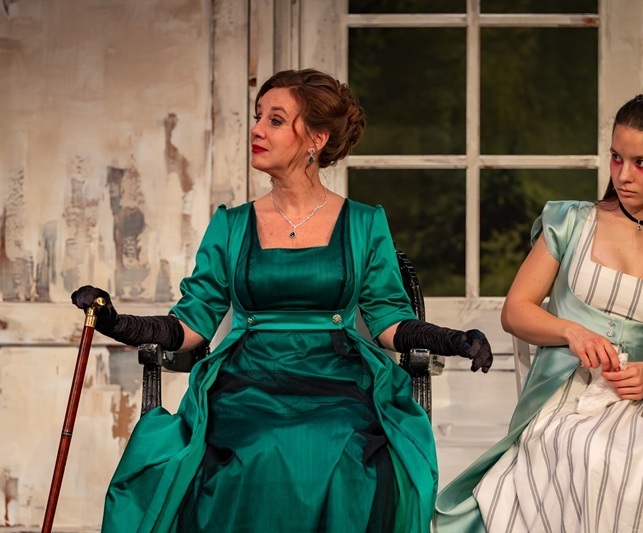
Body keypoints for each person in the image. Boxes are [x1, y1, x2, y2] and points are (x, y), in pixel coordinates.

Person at [71, 68, 493, 532]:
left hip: (340, 381)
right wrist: (116, 322)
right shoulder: (231, 225)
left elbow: (390, 320)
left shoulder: (364, 222)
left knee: (340, 445)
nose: (256, 129)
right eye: (257, 117)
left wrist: (453, 339)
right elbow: (191, 323)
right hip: (245, 380)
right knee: (255, 446)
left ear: (316, 138)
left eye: (274, 120)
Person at [434, 94, 643, 532]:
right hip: (562, 398)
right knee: (585, 452)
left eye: (641, 163)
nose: (623, 175)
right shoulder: (572, 223)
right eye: (616, 158)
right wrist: (572, 332)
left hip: (640, 407)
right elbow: (515, 311)